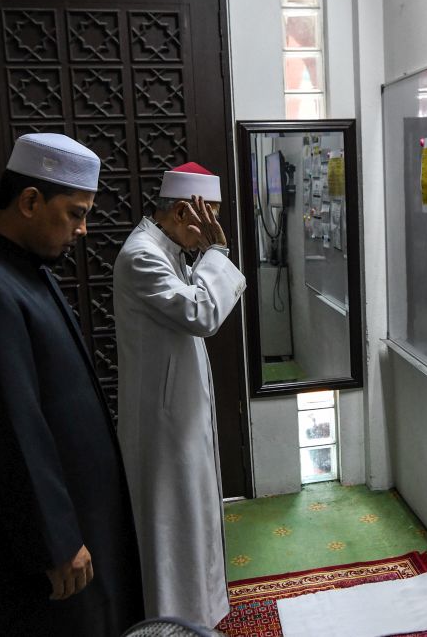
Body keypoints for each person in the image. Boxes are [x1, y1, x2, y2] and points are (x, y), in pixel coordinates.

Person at [0, 134, 144, 636]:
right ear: (29, 201)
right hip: (39, 547)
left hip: (76, 516)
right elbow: (8, 431)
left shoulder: (23, 269)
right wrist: (55, 540)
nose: (83, 229)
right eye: (75, 213)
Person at [113, 162, 246, 628]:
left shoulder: (168, 251)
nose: (208, 230)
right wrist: (220, 251)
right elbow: (202, 312)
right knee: (173, 528)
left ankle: (200, 615)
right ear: (185, 210)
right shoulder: (141, 256)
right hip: (162, 426)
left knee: (194, 521)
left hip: (180, 416)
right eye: (207, 217)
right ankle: (172, 622)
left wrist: (207, 253)